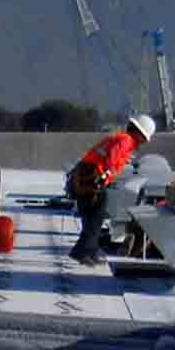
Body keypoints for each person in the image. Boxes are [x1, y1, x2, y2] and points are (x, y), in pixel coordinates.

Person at [67, 114, 154, 265]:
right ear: (140, 134)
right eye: (144, 139)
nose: (143, 142)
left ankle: (87, 250)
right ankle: (83, 251)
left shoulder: (122, 139)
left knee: (93, 217)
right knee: (96, 216)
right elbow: (111, 159)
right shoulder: (126, 140)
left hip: (87, 176)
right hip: (92, 177)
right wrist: (104, 175)